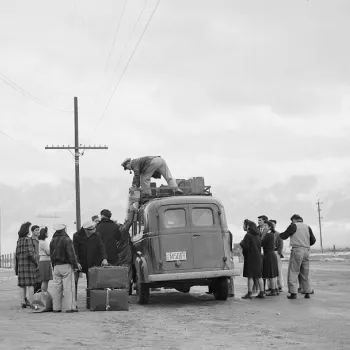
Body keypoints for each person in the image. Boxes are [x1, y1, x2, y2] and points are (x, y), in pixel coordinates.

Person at [279, 214, 316, 300]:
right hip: (306, 250)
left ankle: (293, 293)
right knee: (305, 272)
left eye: (291, 221)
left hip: (297, 250)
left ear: (294, 220)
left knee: (293, 271)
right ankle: (307, 292)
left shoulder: (293, 226)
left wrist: (278, 234)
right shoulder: (307, 227)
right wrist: (305, 244)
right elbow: (313, 240)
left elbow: (284, 236)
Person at [50, 223, 81, 313]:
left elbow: (51, 256)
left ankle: (56, 308)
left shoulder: (52, 240)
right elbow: (71, 254)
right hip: (66, 266)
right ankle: (70, 307)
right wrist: (75, 265)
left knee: (57, 288)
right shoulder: (67, 240)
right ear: (64, 230)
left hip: (56, 266)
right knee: (69, 287)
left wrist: (53, 266)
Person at [73, 220, 108, 295]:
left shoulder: (97, 235)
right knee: (74, 281)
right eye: (92, 229)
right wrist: (77, 262)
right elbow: (75, 251)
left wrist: (104, 258)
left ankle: (90, 300)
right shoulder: (76, 236)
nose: (94, 230)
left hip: (92, 261)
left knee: (91, 282)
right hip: (81, 262)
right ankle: (73, 301)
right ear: (86, 230)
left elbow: (101, 247)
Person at [15, 222, 39, 308]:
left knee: (22, 284)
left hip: (21, 265)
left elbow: (17, 254)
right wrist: (35, 261)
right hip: (29, 265)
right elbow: (30, 253)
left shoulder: (19, 240)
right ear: (26, 230)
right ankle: (32, 302)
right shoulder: (28, 240)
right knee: (31, 284)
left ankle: (23, 302)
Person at [240, 219, 265, 299]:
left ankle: (249, 293)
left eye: (244, 225)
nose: (243, 226)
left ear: (248, 226)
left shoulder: (248, 235)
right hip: (258, 258)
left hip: (250, 258)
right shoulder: (258, 235)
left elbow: (245, 246)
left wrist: (241, 242)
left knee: (250, 276)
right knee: (259, 276)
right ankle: (262, 292)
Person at [261, 221, 279, 296]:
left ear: (269, 227)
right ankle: (275, 289)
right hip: (272, 254)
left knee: (271, 274)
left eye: (265, 225)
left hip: (268, 255)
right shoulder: (272, 234)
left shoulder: (268, 235)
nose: (264, 227)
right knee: (273, 273)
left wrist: (262, 234)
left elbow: (261, 243)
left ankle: (273, 290)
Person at [38, 227, 53, 292]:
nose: (48, 233)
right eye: (47, 232)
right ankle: (44, 293)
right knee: (45, 280)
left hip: (43, 261)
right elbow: (49, 252)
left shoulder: (40, 242)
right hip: (45, 261)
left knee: (45, 280)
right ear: (45, 233)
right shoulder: (43, 243)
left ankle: (44, 293)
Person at [271, 220, 284, 292]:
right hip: (269, 253)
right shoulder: (266, 234)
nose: (272, 225)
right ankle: (271, 286)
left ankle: (280, 286)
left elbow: (281, 245)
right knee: (270, 271)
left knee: (278, 271)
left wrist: (278, 253)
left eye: (273, 224)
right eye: (271, 224)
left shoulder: (278, 234)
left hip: (276, 253)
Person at [30, 225, 41, 293]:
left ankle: (39, 297)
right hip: (34, 262)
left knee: (40, 280)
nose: (38, 231)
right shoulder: (30, 240)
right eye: (36, 230)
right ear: (32, 231)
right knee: (35, 281)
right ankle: (34, 297)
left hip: (40, 261)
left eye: (38, 230)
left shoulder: (40, 239)